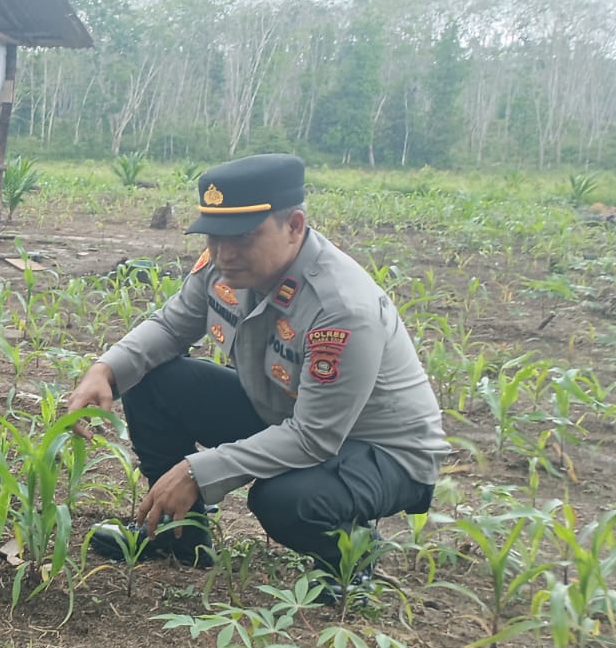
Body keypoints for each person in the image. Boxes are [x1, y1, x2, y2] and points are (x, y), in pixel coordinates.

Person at [66, 153, 448, 588]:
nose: (225, 253)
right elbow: (171, 327)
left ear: (295, 226)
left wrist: (198, 470)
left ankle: (349, 554)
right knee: (150, 379)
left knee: (284, 500)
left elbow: (316, 437)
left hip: (382, 450)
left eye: (244, 237)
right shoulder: (224, 267)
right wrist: (105, 370)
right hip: (287, 414)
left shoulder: (341, 307)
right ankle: (178, 534)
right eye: (214, 237)